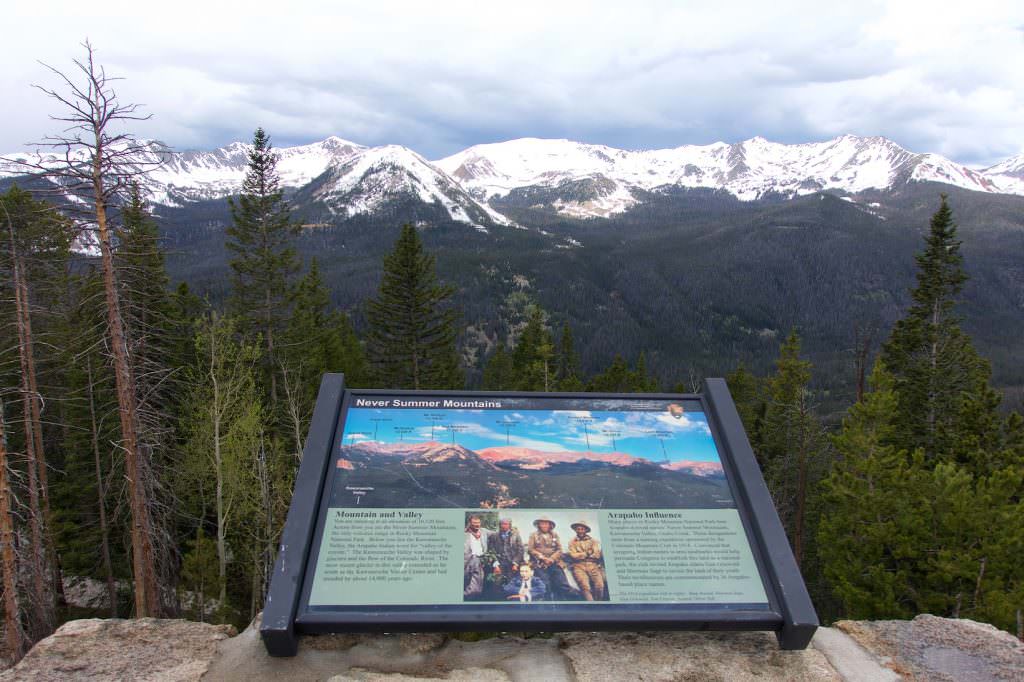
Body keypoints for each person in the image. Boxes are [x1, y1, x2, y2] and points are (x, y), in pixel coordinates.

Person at [527, 516, 579, 600]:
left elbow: (559, 549)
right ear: (539, 525)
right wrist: (542, 558)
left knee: (563, 584)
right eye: (542, 523)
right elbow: (531, 549)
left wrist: (551, 559)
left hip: (554, 563)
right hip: (539, 564)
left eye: (546, 523)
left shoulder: (555, 535)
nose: (544, 525)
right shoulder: (533, 535)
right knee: (545, 585)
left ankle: (578, 602)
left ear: (549, 525)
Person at [567, 521, 607, 601]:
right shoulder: (571, 542)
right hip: (578, 566)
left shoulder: (593, 541)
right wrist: (587, 553)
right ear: (575, 530)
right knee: (585, 587)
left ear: (585, 530)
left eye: (582, 529)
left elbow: (596, 554)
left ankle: (598, 603)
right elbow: (573, 555)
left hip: (593, 565)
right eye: (578, 529)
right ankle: (591, 604)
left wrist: (581, 554)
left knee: (600, 585)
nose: (580, 531)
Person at [463, 514, 493, 599]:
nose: (477, 525)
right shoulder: (465, 533)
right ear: (470, 523)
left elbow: (496, 534)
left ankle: (473, 597)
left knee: (478, 582)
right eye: (474, 523)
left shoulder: (484, 531)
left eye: (478, 522)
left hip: (482, 559)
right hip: (469, 560)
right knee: (468, 581)